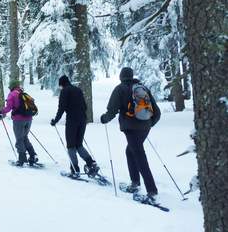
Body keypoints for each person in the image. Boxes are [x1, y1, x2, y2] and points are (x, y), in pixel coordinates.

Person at [100, 67, 161, 203]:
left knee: (139, 155)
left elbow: (112, 110)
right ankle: (135, 183)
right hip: (144, 127)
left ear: (121, 77)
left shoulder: (120, 89)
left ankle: (152, 191)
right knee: (130, 152)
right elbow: (157, 112)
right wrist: (149, 124)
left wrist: (104, 118)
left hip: (131, 129)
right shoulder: (142, 88)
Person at [50, 75, 99, 177]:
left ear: (61, 84)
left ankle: (74, 169)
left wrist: (55, 120)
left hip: (72, 121)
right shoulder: (77, 90)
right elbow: (85, 106)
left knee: (71, 145)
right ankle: (91, 163)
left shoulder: (65, 91)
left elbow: (61, 108)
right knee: (78, 144)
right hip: (82, 120)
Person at [0, 80, 38, 166]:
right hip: (29, 119)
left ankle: (22, 159)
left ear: (12, 87)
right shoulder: (22, 93)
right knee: (24, 137)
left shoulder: (12, 94)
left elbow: (8, 108)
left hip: (19, 120)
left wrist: (1, 112)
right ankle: (33, 155)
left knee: (19, 139)